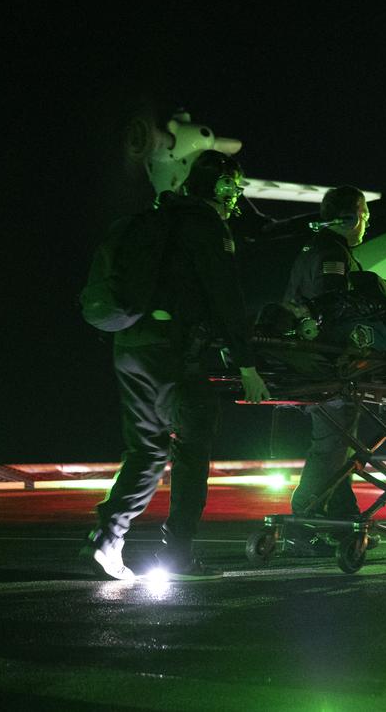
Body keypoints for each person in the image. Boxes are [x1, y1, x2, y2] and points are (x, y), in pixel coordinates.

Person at [81, 149, 270, 581]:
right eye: (232, 187)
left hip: (130, 344)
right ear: (220, 187)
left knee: (146, 449)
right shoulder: (205, 225)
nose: (235, 197)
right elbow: (226, 296)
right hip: (176, 353)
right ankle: (179, 554)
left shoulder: (157, 218)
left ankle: (106, 539)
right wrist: (247, 365)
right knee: (192, 446)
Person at [282, 186, 386, 532]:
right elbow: (332, 306)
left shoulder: (314, 248)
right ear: (351, 218)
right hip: (328, 365)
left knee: (341, 444)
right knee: (332, 445)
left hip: (312, 362)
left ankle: (342, 516)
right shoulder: (331, 253)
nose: (367, 223)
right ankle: (303, 523)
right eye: (365, 215)